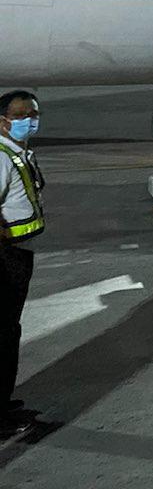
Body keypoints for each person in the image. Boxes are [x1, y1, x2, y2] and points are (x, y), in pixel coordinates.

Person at [0, 90, 43, 436]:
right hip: (5, 257)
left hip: (16, 253)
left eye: (33, 114)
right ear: (3, 122)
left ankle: (3, 403)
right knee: (2, 334)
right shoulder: (1, 158)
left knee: (8, 332)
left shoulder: (17, 152)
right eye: (20, 115)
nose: (29, 120)